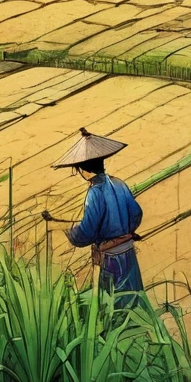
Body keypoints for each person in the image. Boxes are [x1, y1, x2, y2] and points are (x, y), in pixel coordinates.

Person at [51, 127, 144, 308]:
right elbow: (136, 214)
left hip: (111, 258)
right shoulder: (119, 183)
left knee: (113, 305)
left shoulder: (95, 193)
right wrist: (125, 230)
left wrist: (68, 231)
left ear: (84, 170)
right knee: (134, 300)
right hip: (128, 252)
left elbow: (87, 230)